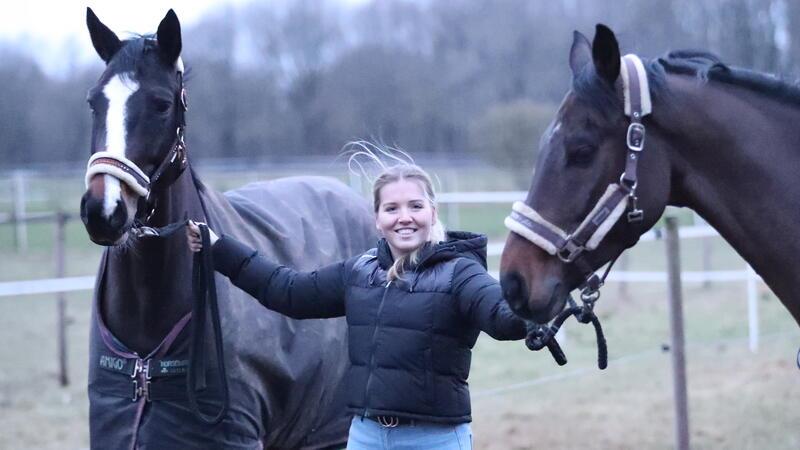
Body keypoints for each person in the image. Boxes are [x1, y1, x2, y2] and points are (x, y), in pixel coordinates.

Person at [187, 152, 527, 449]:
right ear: (377, 220)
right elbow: (286, 291)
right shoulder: (359, 273)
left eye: (415, 206)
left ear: (433, 214)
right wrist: (218, 247)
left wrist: (533, 311)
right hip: (368, 437)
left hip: (434, 440)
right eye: (391, 208)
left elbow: (500, 315)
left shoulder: (460, 273)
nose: (404, 217)